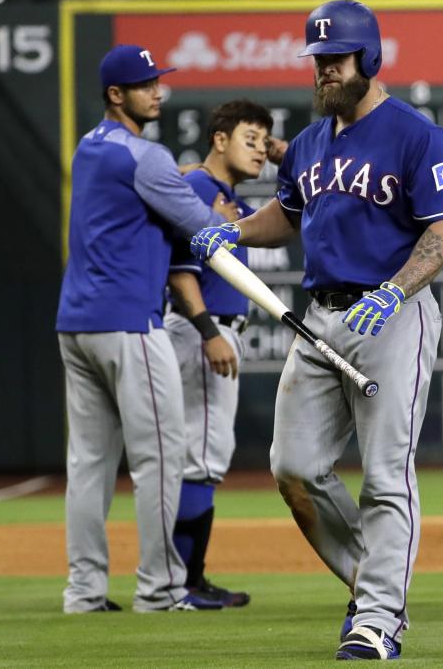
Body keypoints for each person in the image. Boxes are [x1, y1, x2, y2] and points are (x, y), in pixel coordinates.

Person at [189, 0, 443, 660]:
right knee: (293, 467)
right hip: (319, 319)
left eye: (334, 61)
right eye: (317, 62)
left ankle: (378, 618)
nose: (322, 74)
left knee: (388, 474)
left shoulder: (415, 134)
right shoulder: (310, 144)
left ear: (369, 57)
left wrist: (395, 291)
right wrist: (235, 231)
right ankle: (374, 581)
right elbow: (285, 216)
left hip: (392, 313)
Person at [56, 44, 239, 613]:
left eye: (159, 80)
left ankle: (84, 592)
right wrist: (233, 221)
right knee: (159, 457)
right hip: (130, 323)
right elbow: (204, 225)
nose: (159, 90)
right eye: (147, 84)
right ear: (117, 94)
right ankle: (159, 590)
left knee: (88, 464)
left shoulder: (91, 146)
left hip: (76, 323)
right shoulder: (147, 156)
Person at [166, 100, 278, 609]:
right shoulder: (199, 191)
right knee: (201, 457)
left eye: (263, 140)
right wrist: (209, 330)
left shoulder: (217, 194)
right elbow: (180, 268)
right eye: (249, 138)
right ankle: (184, 584)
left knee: (200, 455)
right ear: (218, 139)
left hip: (205, 330)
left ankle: (186, 579)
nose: (258, 149)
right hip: (200, 329)